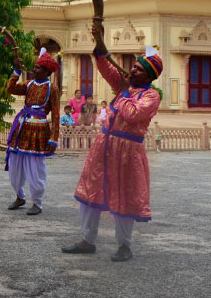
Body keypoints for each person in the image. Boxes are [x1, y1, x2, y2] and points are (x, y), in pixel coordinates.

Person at [62, 22, 162, 263]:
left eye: (138, 69)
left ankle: (124, 246)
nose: (132, 70)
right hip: (104, 145)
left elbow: (132, 115)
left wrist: (126, 92)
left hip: (128, 152)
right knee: (91, 190)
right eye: (133, 67)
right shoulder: (124, 85)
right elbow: (106, 66)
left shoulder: (151, 95)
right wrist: (99, 40)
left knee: (124, 197)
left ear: (149, 75)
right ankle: (87, 240)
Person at [5, 49, 61, 216]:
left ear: (46, 71)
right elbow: (11, 88)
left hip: (39, 131)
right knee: (15, 164)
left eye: (37, 68)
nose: (34, 70)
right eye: (34, 67)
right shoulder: (29, 84)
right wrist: (16, 70)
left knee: (36, 168)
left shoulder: (53, 88)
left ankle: (37, 202)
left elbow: (57, 115)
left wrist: (53, 140)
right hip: (22, 128)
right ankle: (19, 196)